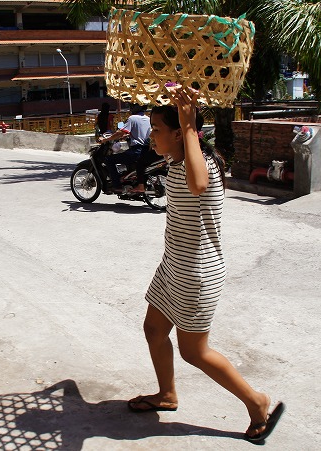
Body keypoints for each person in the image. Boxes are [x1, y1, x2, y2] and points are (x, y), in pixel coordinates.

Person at [126, 86, 284, 443]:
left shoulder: (202, 164)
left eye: (156, 129)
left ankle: (256, 402)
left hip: (197, 273)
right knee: (153, 329)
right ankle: (167, 395)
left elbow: (198, 184)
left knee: (194, 352)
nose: (151, 134)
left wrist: (187, 123)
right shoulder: (177, 158)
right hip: (174, 265)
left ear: (181, 133)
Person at [98, 103, 150, 192]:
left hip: (136, 151)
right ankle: (127, 179)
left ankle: (117, 186)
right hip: (147, 150)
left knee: (109, 160)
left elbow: (120, 132)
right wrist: (127, 136)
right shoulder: (148, 118)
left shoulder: (132, 118)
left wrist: (106, 139)